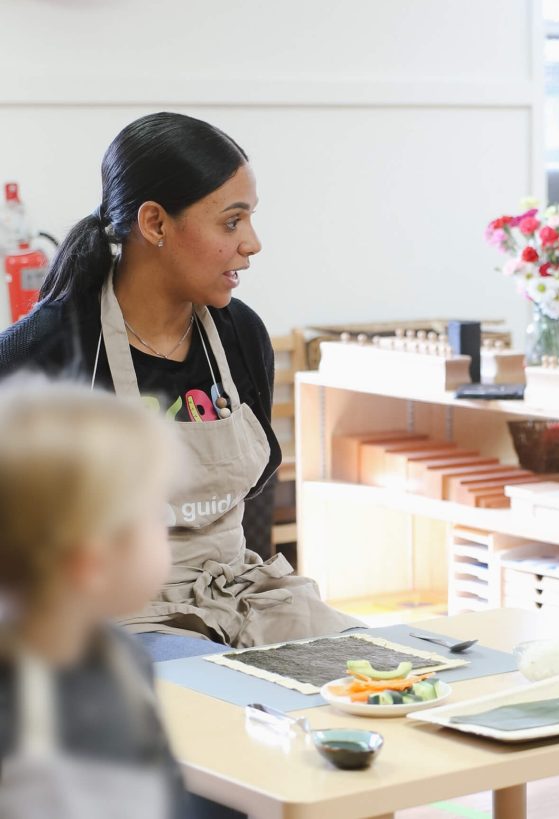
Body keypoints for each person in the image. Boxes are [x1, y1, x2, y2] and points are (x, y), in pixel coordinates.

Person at [0, 112, 361, 661]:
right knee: (214, 693)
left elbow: (252, 490)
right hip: (112, 616)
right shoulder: (49, 349)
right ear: (155, 223)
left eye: (250, 220)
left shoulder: (241, 334)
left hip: (242, 595)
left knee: (368, 664)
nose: (253, 244)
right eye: (231, 222)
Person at [0, 380, 188, 818]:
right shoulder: (25, 721)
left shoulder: (119, 654)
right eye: (154, 513)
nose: (168, 524)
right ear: (91, 562)